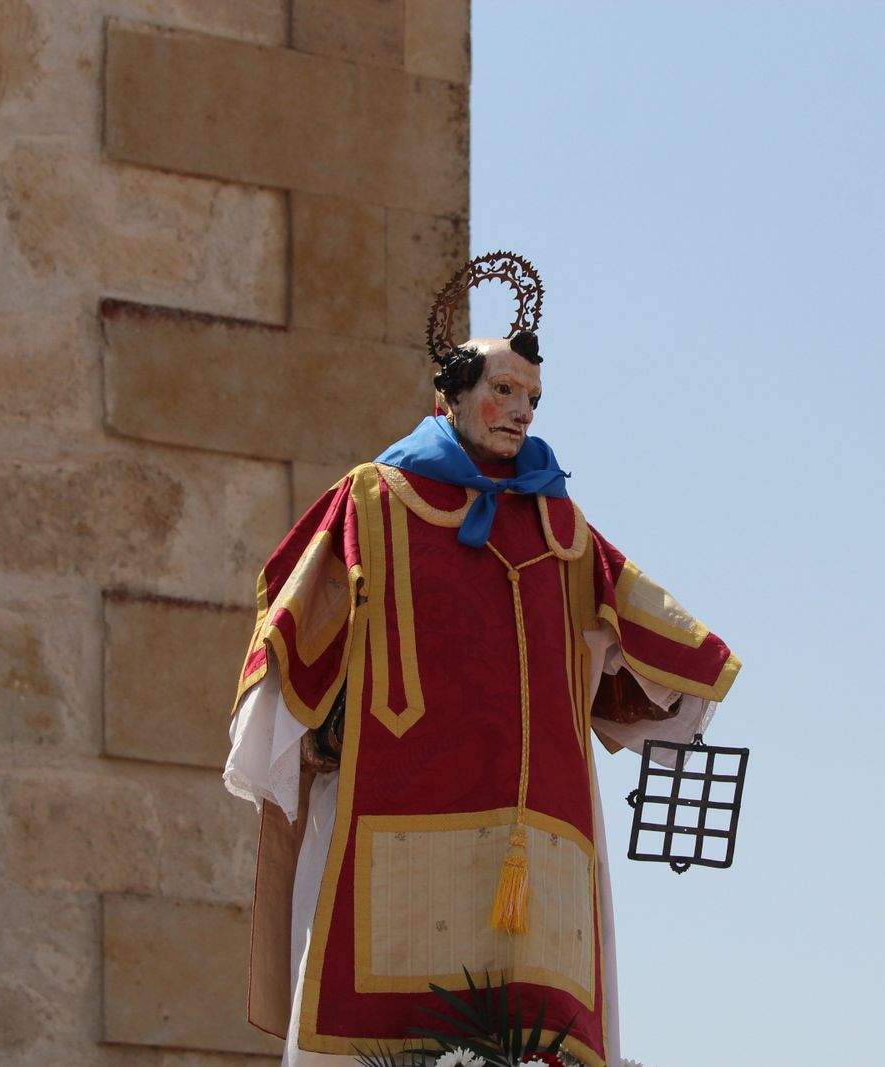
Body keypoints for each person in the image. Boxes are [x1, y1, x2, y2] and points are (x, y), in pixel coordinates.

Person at [223, 253, 739, 1067]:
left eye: (532, 397)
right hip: (398, 801)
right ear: (450, 396)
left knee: (534, 1032)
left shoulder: (564, 531)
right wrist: (302, 721)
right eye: (503, 391)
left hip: (541, 826)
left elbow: (648, 628)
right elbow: (298, 620)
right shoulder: (374, 500)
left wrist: (683, 669)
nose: (519, 410)